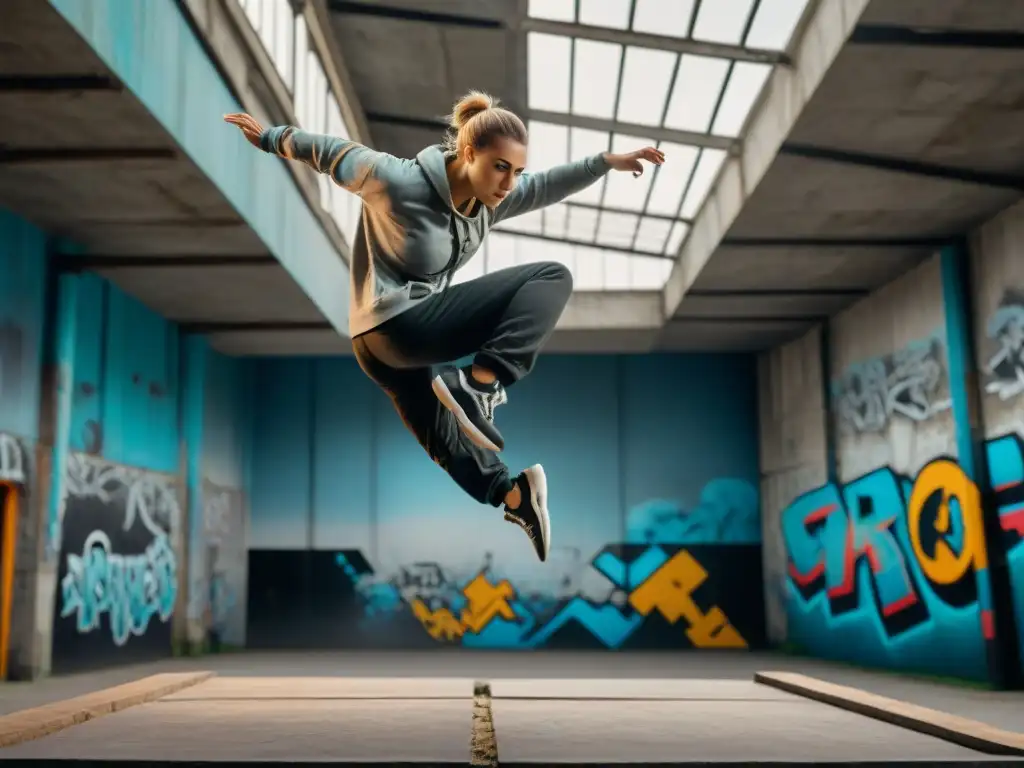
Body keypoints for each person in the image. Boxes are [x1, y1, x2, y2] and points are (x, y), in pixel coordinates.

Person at [225, 92, 665, 563]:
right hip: (399, 325)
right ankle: (480, 383)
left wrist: (605, 163)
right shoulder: (397, 179)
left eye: (515, 171)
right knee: (551, 277)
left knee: (444, 439)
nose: (509, 183)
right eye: (500, 167)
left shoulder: (493, 201)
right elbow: (333, 153)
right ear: (468, 153)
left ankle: (512, 497)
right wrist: (271, 138)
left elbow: (545, 186)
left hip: (382, 350)